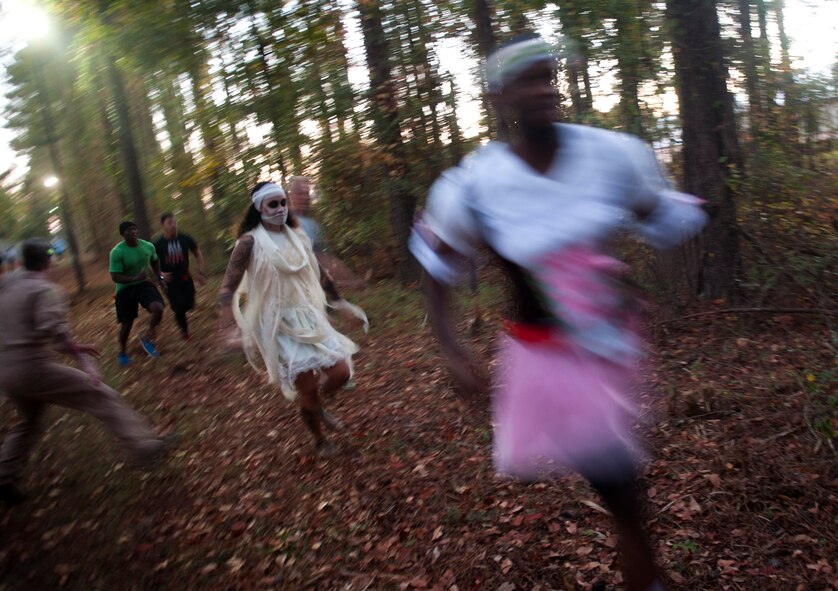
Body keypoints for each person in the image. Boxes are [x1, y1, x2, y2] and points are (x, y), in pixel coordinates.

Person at [410, 35, 707, 591]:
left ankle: (645, 574)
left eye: (551, 77)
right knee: (619, 480)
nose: (545, 89)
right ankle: (649, 581)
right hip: (545, 356)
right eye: (530, 80)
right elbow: (437, 262)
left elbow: (655, 212)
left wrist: (689, 211)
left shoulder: (608, 155)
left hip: (612, 345)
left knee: (620, 478)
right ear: (499, 97)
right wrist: (451, 348)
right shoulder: (475, 185)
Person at [0, 239, 174, 505]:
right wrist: (78, 352)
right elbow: (54, 332)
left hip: (6, 370)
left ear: (23, 261)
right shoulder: (44, 291)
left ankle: (4, 476)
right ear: (48, 261)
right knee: (100, 396)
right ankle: (144, 447)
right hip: (30, 368)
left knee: (29, 421)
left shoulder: (8, 285)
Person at [217, 182, 363, 455]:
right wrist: (229, 326)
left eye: (283, 202)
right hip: (277, 323)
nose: (280, 208)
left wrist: (341, 304)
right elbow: (228, 287)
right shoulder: (248, 242)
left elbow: (321, 274)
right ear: (259, 208)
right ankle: (320, 439)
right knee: (306, 388)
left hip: (307, 316)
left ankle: (318, 406)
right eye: (273, 204)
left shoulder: (298, 236)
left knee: (341, 372)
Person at [109, 221, 167, 366]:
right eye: (129, 230)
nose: (133, 232)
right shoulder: (117, 252)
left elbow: (154, 261)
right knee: (126, 324)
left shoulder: (147, 246)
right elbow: (115, 276)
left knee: (158, 308)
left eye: (134, 229)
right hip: (124, 290)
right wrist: (135, 277)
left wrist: (159, 277)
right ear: (123, 234)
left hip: (143, 285)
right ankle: (122, 352)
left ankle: (148, 336)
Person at [153, 212, 206, 340]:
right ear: (163, 226)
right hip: (170, 281)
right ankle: (185, 332)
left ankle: (180, 310)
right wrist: (160, 275)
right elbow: (150, 262)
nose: (174, 225)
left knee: (189, 304)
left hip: (185, 277)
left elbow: (197, 253)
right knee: (179, 307)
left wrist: (200, 271)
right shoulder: (157, 244)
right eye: (170, 223)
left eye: (175, 222)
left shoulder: (185, 238)